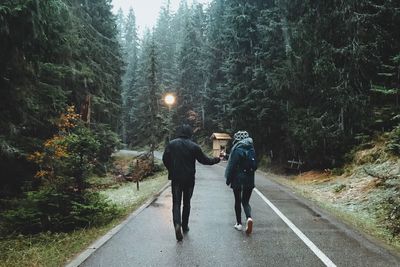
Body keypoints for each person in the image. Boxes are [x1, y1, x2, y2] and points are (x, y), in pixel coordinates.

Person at [162, 124, 220, 241]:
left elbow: (165, 159)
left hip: (176, 179)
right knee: (187, 203)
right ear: (189, 133)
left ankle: (177, 224)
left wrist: (171, 170)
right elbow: (204, 160)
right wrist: (216, 160)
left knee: (176, 203)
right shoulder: (194, 146)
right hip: (189, 179)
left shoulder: (171, 144)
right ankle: (185, 226)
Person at [225, 130, 257, 235]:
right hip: (249, 180)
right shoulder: (252, 149)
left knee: (237, 201)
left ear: (237, 139)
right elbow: (255, 166)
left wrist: (228, 179)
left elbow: (232, 166)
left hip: (237, 180)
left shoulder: (236, 150)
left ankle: (239, 224)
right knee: (246, 202)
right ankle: (249, 218)